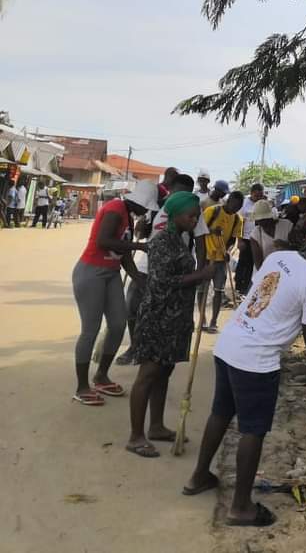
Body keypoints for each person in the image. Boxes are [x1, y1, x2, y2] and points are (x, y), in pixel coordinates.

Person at [182, 224, 306, 526]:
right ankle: (240, 508)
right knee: (253, 430)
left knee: (221, 413)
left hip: (230, 344)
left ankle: (198, 477)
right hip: (256, 360)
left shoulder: (279, 257)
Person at [126, 193, 216, 457]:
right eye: (191, 215)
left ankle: (156, 426)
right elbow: (162, 283)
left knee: (164, 372)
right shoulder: (163, 241)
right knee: (148, 374)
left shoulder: (179, 239)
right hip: (158, 317)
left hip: (176, 317)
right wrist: (201, 275)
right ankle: (135, 436)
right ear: (175, 215)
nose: (195, 219)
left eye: (197, 215)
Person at [71, 180, 157, 406]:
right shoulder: (115, 209)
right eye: (146, 207)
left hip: (111, 273)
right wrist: (140, 247)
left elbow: (122, 252)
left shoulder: (128, 215)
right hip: (91, 273)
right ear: (138, 202)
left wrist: (139, 278)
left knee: (118, 325)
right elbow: (103, 241)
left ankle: (101, 375)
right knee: (90, 330)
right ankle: (81, 387)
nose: (146, 212)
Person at [117, 174, 210, 365]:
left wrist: (200, 272)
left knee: (164, 310)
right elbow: (142, 234)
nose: (180, 196)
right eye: (178, 191)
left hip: (176, 264)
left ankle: (159, 350)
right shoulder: (157, 206)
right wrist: (141, 227)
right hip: (147, 264)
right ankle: (136, 346)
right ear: (171, 189)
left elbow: (201, 241)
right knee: (133, 306)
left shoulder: (192, 212)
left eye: (185, 192)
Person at [202, 190, 245, 333]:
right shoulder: (212, 211)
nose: (236, 209)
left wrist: (228, 250)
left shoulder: (238, 219)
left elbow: (233, 239)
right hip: (206, 256)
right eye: (234, 205)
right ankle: (202, 319)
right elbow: (198, 230)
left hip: (221, 259)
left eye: (239, 206)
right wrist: (212, 231)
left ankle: (214, 321)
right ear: (228, 201)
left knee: (218, 290)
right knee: (202, 288)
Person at [236, 184, 267, 297]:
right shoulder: (244, 204)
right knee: (244, 263)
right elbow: (240, 222)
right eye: (256, 195)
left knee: (255, 263)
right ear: (252, 192)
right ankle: (239, 287)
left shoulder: (262, 204)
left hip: (259, 238)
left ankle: (248, 288)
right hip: (246, 238)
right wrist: (239, 240)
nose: (258, 197)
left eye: (260, 195)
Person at [249, 199, 291, 272]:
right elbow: (258, 263)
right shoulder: (255, 233)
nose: (260, 222)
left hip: (286, 270)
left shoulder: (287, 225)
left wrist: (286, 246)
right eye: (258, 220)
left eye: (263, 219)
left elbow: (298, 249)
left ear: (270, 216)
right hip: (264, 272)